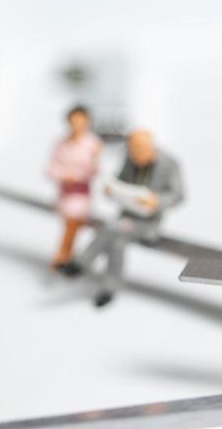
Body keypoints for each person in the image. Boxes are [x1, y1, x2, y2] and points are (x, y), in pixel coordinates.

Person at [68, 128, 184, 307]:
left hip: (148, 223)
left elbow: (178, 195)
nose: (135, 155)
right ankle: (109, 289)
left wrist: (157, 201)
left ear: (150, 146)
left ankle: (81, 263)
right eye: (132, 150)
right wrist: (112, 189)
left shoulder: (169, 163)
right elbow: (120, 179)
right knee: (117, 243)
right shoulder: (131, 158)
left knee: (111, 228)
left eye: (139, 150)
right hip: (126, 217)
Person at [46, 104, 104, 271]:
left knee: (72, 223)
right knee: (70, 224)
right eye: (74, 121)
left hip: (81, 194)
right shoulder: (61, 143)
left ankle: (63, 255)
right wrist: (64, 175)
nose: (77, 124)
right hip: (64, 193)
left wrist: (80, 174)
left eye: (81, 121)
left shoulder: (92, 143)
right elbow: (51, 168)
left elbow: (95, 170)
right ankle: (69, 256)